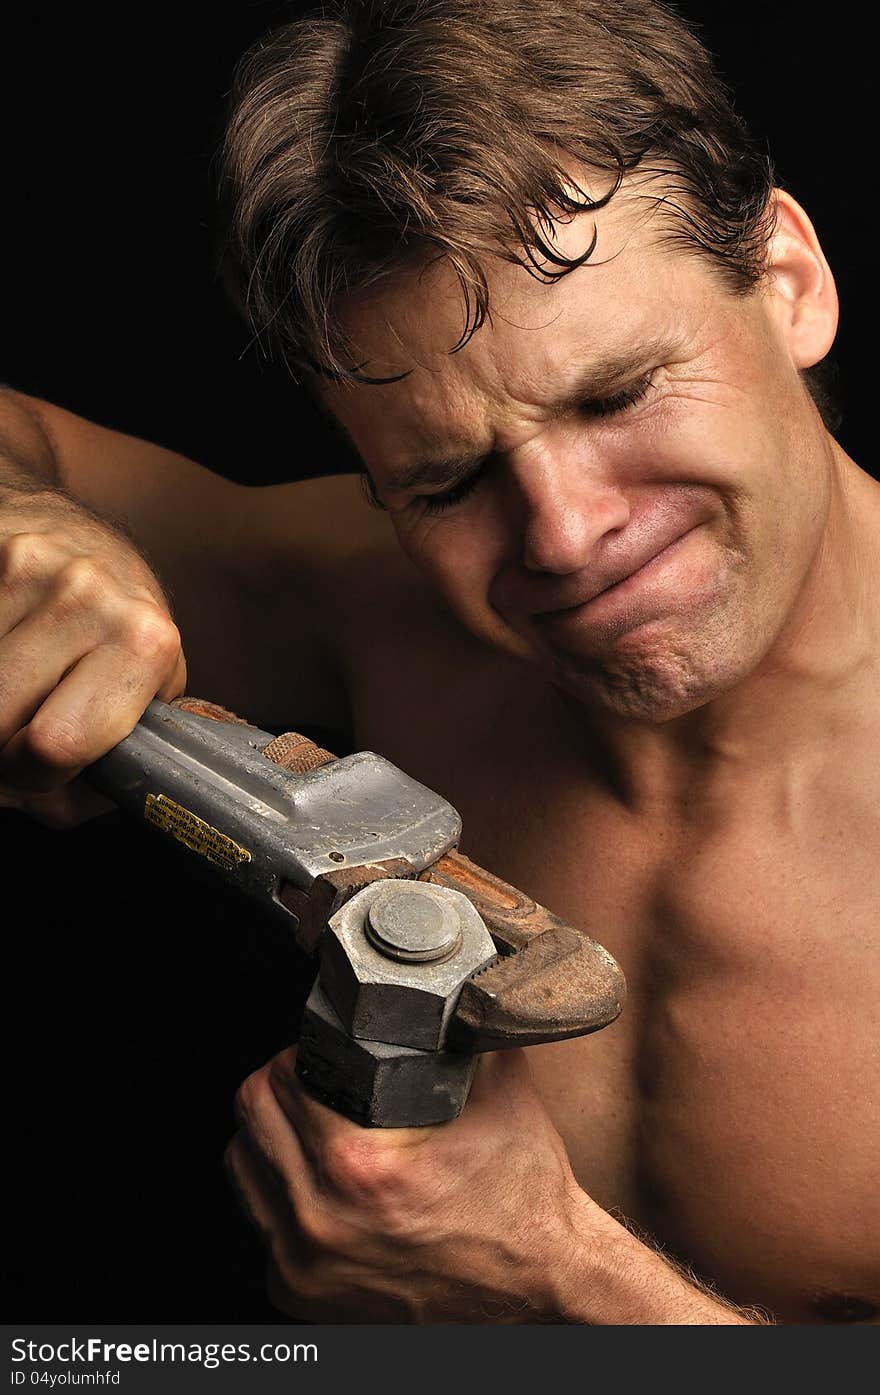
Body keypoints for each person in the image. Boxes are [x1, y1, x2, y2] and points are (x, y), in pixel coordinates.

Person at [1, 0, 877, 1324]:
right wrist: (41, 538)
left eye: (615, 393)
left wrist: (565, 1284)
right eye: (452, 480)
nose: (568, 535)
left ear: (790, 282)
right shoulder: (374, 602)